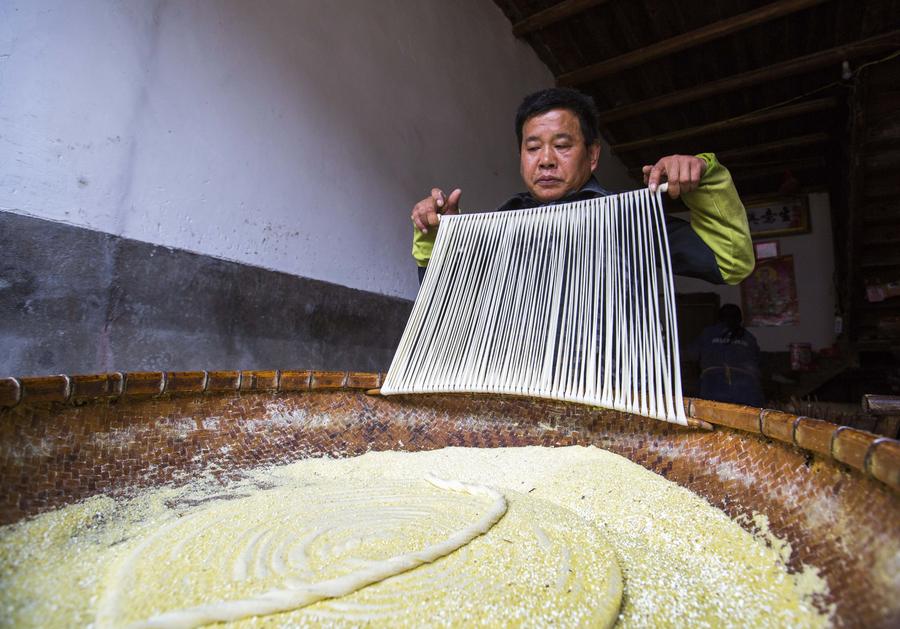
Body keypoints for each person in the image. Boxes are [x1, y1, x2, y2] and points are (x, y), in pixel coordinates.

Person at [409, 87, 754, 286]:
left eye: (562, 145)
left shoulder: (628, 220)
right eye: (532, 148)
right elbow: (442, 296)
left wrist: (705, 176)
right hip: (513, 394)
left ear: (592, 156)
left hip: (606, 399)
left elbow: (731, 263)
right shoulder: (502, 226)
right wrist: (443, 235)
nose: (545, 160)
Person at [695, 304, 765, 407]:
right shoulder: (748, 337)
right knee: (748, 420)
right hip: (747, 386)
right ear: (740, 319)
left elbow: (692, 354)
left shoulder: (708, 333)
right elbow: (758, 360)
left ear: (719, 319)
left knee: (713, 418)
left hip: (714, 383)